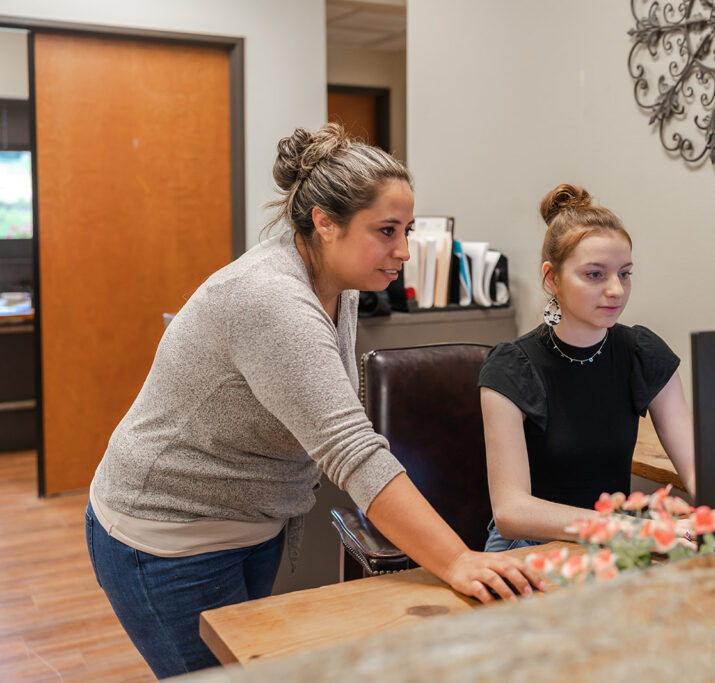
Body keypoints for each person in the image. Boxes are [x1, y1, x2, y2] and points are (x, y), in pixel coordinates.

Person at [85, 123, 542, 679]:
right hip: (168, 537)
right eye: (387, 231)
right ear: (325, 222)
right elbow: (352, 451)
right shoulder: (272, 299)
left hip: (252, 524)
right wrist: (457, 561)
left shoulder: (335, 283)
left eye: (408, 230)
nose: (402, 250)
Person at [479, 184, 696, 551]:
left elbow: (697, 467)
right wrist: (632, 531)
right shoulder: (511, 367)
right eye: (595, 275)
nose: (616, 290)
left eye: (624, 273)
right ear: (552, 279)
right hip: (531, 546)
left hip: (614, 543)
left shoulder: (643, 352)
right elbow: (511, 512)